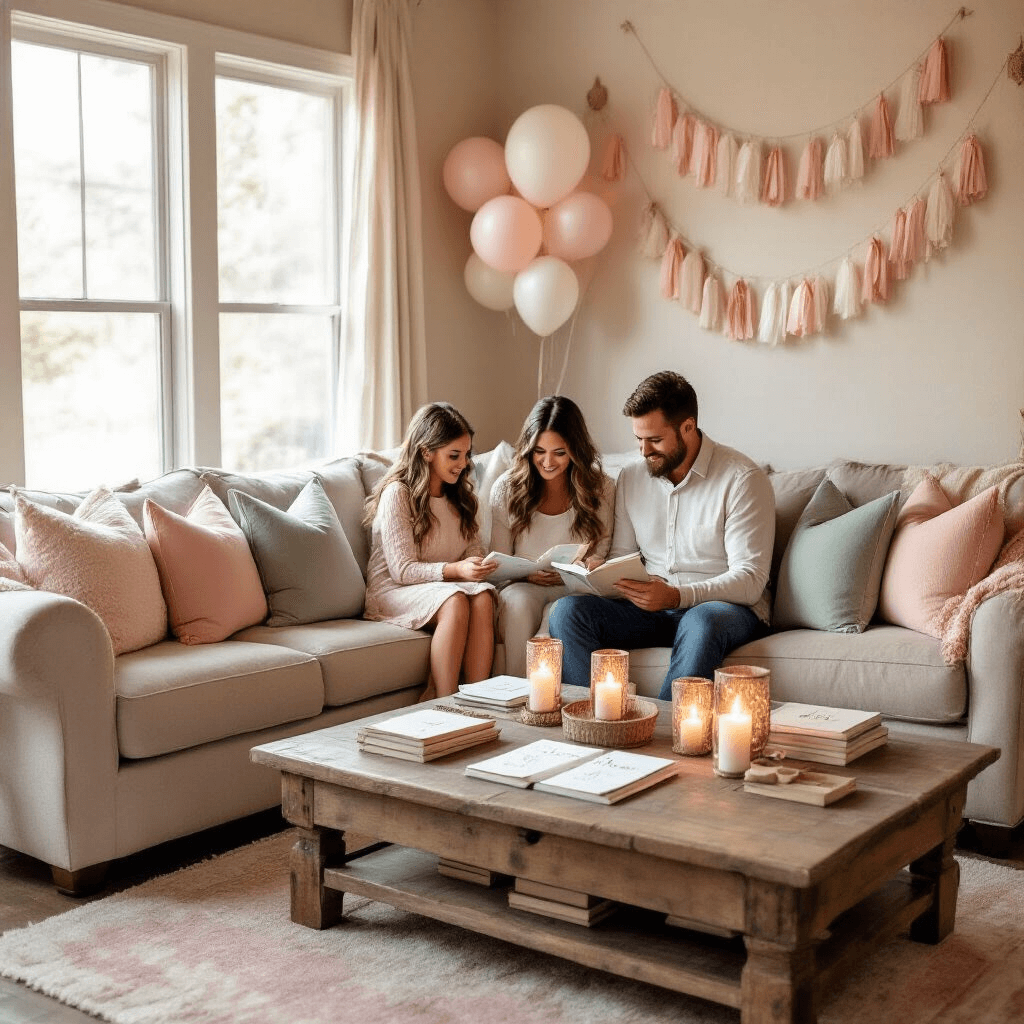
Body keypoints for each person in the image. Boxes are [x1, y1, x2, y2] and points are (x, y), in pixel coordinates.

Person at [549, 371, 774, 700]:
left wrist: (675, 596)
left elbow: (751, 580)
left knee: (701, 621)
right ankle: (593, 722)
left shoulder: (741, 479)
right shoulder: (632, 477)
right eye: (638, 439)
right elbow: (623, 555)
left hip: (722, 609)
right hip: (650, 609)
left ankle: (667, 734)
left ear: (688, 427)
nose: (643, 451)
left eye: (654, 440)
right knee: (568, 612)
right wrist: (600, 571)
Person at [363, 402, 497, 698]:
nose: (462, 463)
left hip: (442, 584)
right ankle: (445, 701)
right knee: (456, 601)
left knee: (485, 596)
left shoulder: (460, 495)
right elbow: (402, 570)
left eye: (466, 455)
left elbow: (471, 547)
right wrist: (457, 570)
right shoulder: (398, 493)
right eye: (454, 455)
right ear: (426, 452)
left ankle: (478, 700)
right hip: (394, 589)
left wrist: (475, 564)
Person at [488, 396, 615, 676]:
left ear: (576, 450)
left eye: (560, 452)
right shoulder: (506, 488)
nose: (547, 462)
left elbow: (602, 545)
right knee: (518, 604)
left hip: (573, 585)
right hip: (523, 585)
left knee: (558, 612)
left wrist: (589, 564)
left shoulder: (600, 487)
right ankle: (516, 691)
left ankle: (552, 699)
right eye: (539, 451)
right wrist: (526, 575)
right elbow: (499, 562)